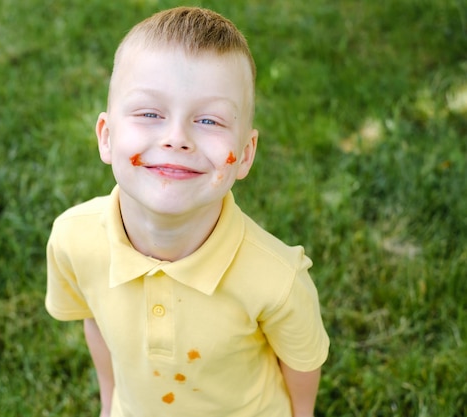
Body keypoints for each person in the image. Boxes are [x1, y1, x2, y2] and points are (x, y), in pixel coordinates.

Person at [45, 6, 329, 417]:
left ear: (245, 155)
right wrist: (109, 405)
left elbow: (303, 366)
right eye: (149, 113)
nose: (177, 138)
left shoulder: (278, 278)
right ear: (106, 137)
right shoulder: (74, 239)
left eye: (209, 120)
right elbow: (95, 321)